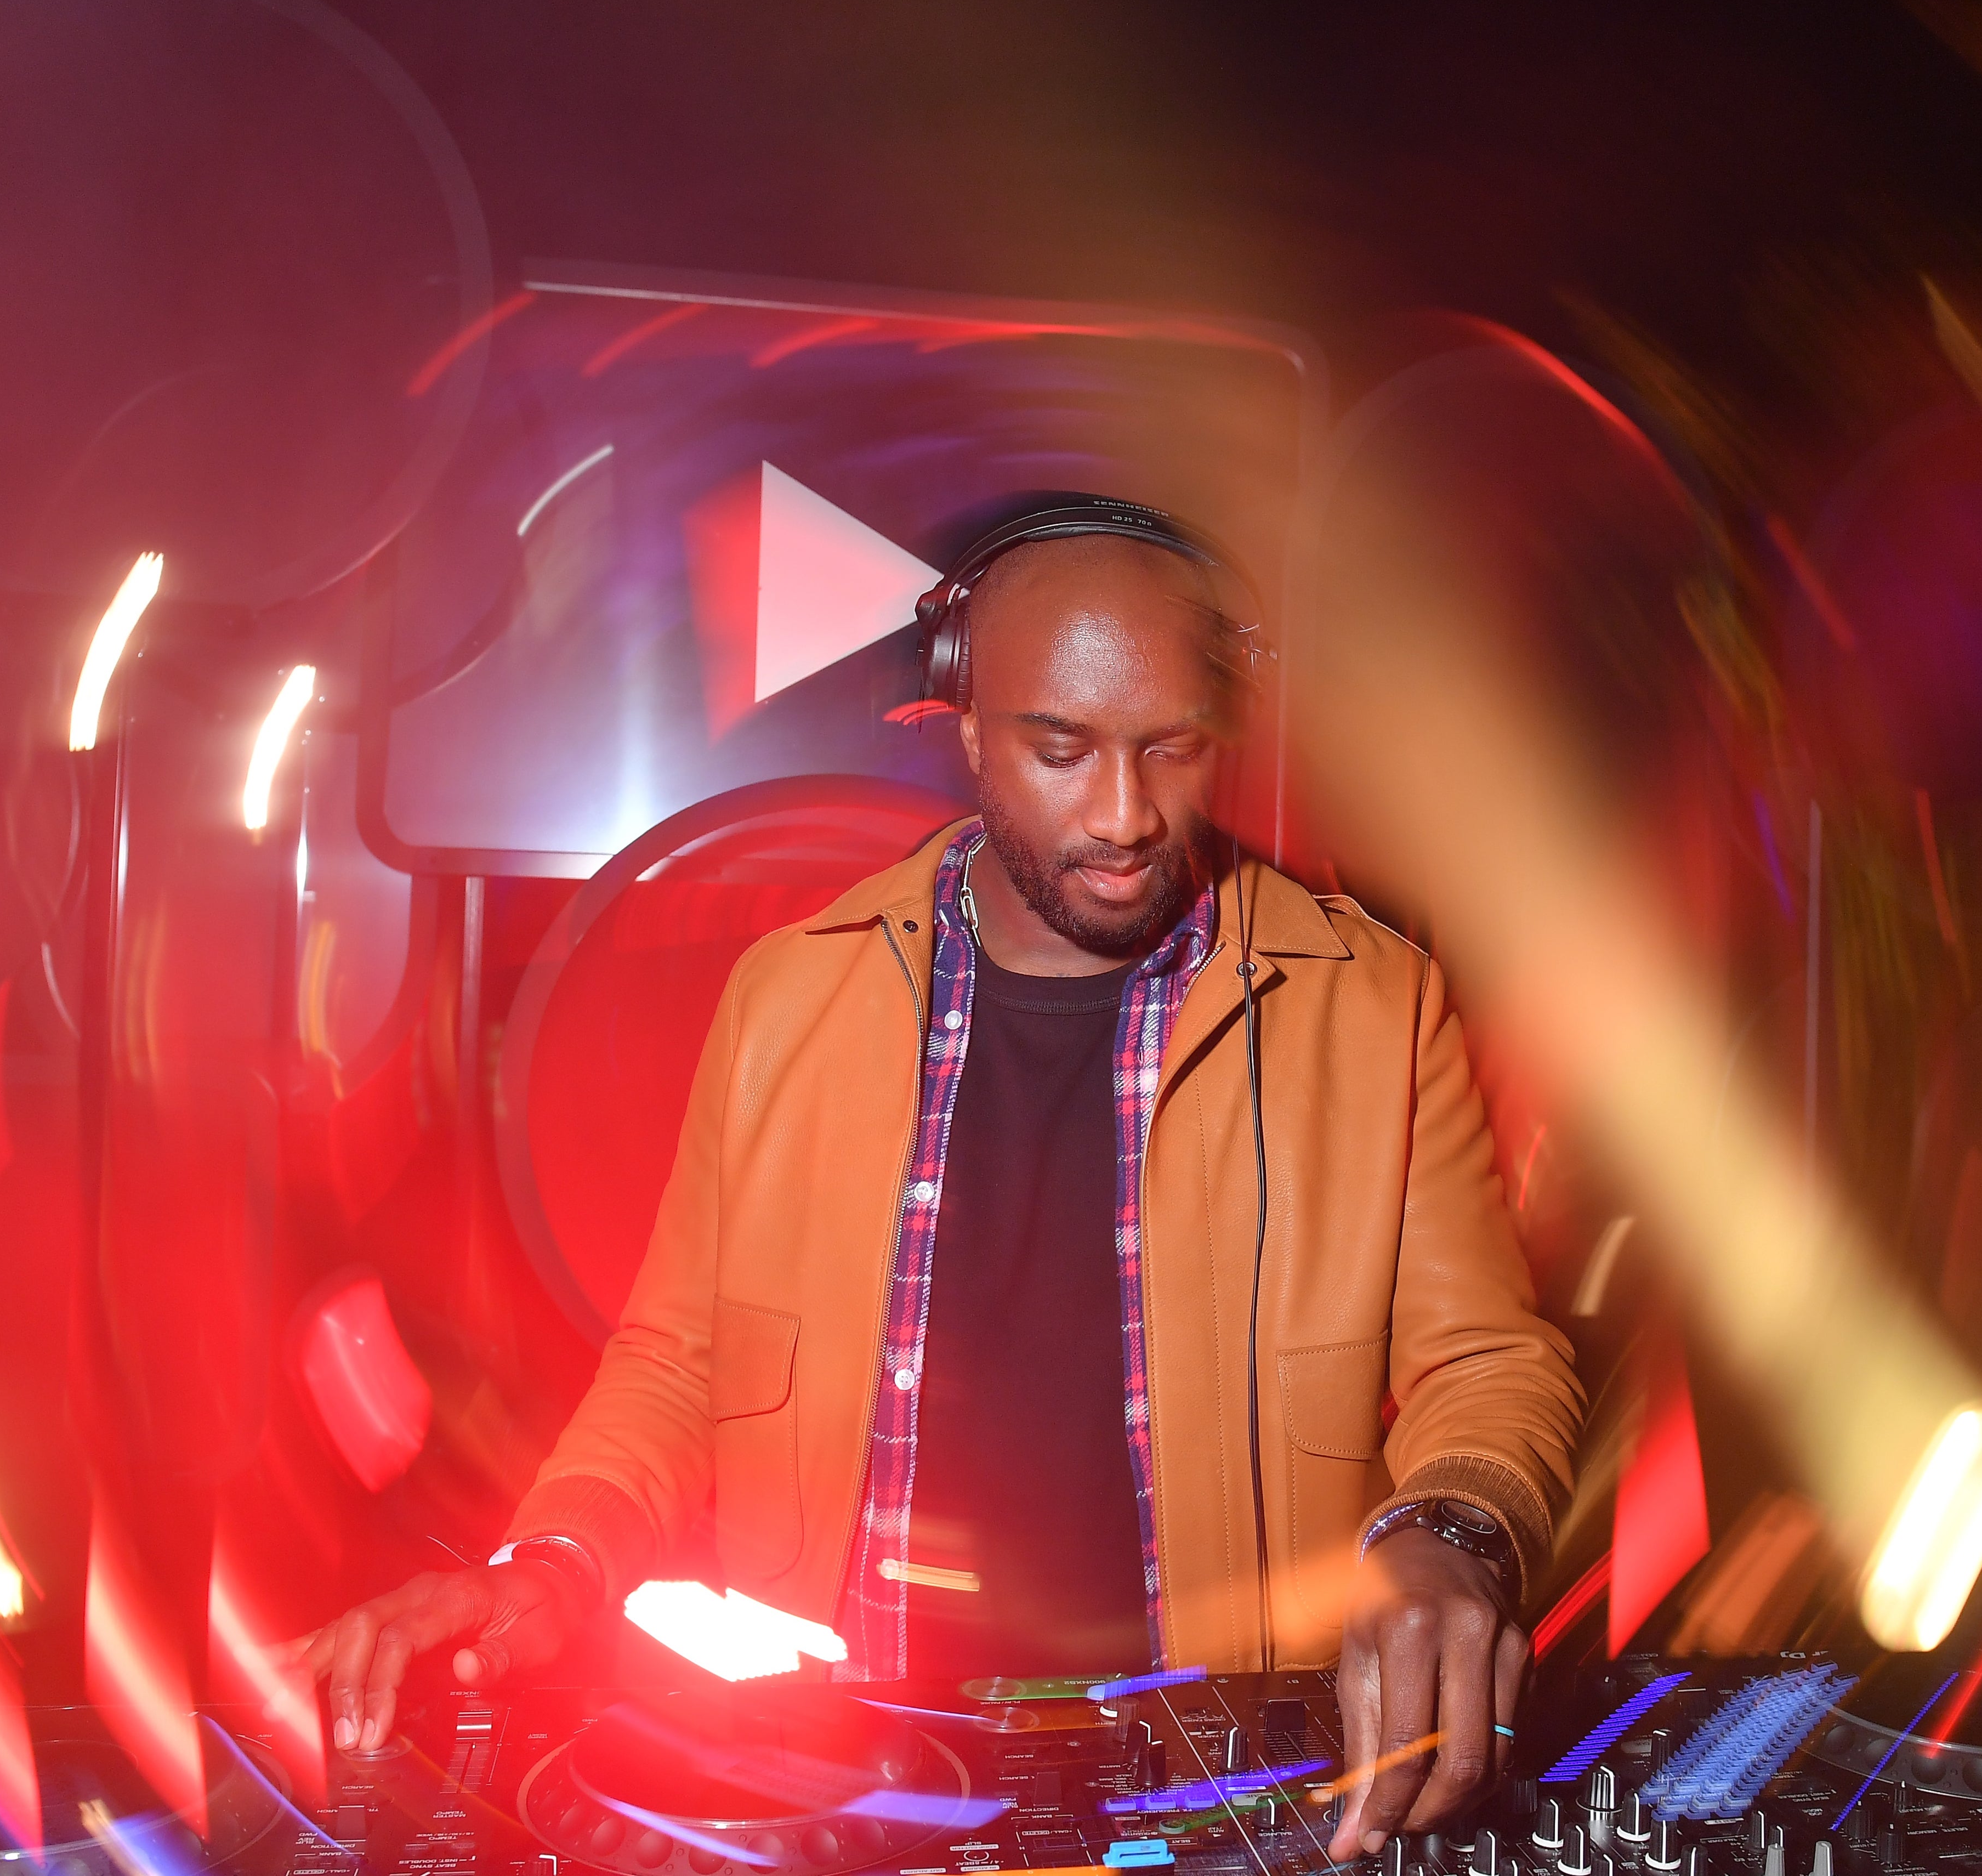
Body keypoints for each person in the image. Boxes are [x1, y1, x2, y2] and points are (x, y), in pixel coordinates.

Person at [305, 498, 1582, 1858]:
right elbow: (681, 1364)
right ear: (968, 728)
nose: (1125, 812)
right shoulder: (788, 997)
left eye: (1172, 749)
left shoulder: (1373, 1007)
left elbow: (1492, 1361)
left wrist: (1453, 1527)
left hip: (1210, 1802)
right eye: (1060, 747)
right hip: (837, 1786)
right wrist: (549, 1566)